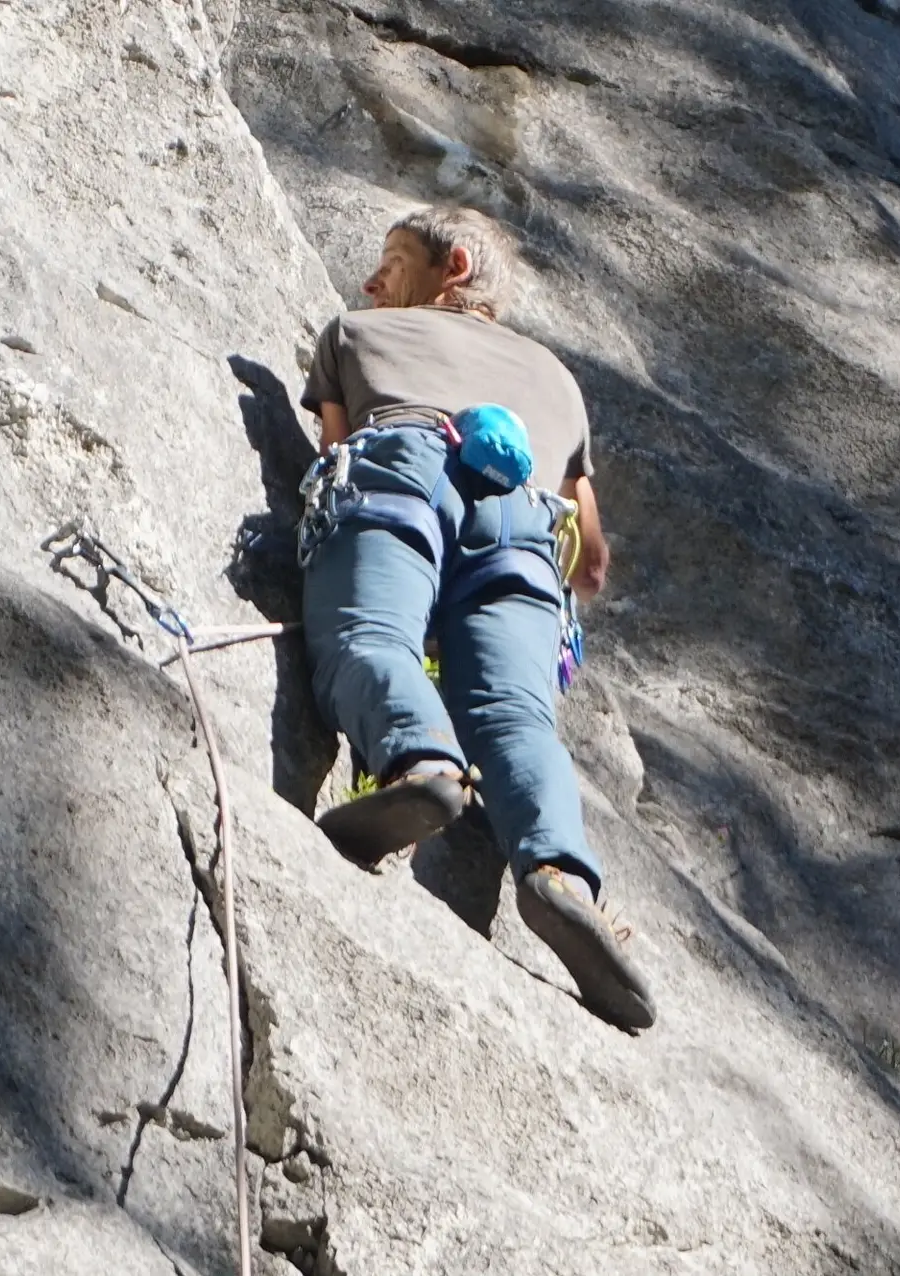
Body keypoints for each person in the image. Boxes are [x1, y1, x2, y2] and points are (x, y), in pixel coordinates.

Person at [298, 206, 653, 1031]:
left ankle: (421, 762)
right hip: (526, 527)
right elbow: (591, 561)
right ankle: (562, 877)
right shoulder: (558, 382)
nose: (371, 282)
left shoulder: (354, 333)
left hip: (401, 469)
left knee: (368, 636)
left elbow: (330, 458)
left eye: (392, 260)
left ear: (453, 266)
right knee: (516, 716)